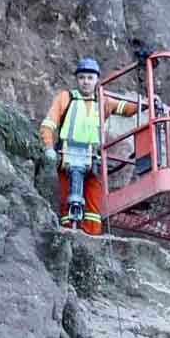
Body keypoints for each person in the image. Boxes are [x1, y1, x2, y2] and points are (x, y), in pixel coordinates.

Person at [41, 54, 108, 230]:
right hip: (66, 156)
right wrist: (49, 147)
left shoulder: (103, 102)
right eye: (82, 77)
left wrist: (147, 103)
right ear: (77, 79)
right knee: (66, 200)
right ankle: (68, 235)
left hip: (93, 158)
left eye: (90, 78)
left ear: (97, 80)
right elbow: (48, 124)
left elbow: (126, 107)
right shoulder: (66, 98)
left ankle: (91, 242)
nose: (86, 82)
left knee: (93, 205)